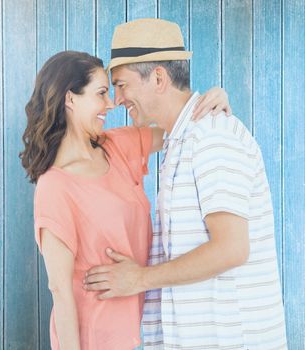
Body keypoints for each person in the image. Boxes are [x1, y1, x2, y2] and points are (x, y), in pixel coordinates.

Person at [83, 18, 287, 349]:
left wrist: (138, 278)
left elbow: (231, 248)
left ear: (159, 78)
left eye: (122, 85)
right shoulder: (182, 139)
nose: (118, 100)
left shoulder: (212, 137)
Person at [20, 50, 231, 349]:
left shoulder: (117, 146)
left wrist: (211, 100)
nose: (111, 103)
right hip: (93, 339)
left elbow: (180, 125)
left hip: (137, 332)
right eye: (102, 93)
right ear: (70, 99)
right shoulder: (55, 186)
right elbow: (60, 289)